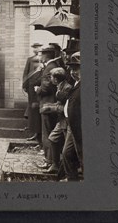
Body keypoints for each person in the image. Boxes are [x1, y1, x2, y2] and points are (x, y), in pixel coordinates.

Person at [40, 67, 72, 174]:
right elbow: (59, 104)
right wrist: (49, 105)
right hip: (62, 120)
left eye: (51, 77)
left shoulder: (67, 88)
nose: (50, 79)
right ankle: (55, 164)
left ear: (56, 79)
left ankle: (66, 170)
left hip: (67, 121)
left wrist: (49, 108)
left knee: (68, 149)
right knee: (53, 138)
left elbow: (65, 107)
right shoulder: (60, 86)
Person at [33, 45, 61, 167]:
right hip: (50, 104)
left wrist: (37, 89)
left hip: (48, 105)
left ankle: (49, 161)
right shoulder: (52, 66)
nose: (40, 56)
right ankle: (50, 160)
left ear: (46, 55)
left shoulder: (50, 67)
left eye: (41, 54)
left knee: (47, 134)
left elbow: (46, 87)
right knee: (49, 133)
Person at [62, 52, 82, 181]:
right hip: (71, 126)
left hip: (80, 128)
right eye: (71, 69)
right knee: (67, 153)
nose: (73, 72)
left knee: (83, 156)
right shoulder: (76, 83)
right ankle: (72, 181)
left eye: (76, 69)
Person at [22, 43, 43, 142]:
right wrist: (24, 85)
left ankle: (38, 133)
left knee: (37, 109)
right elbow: (26, 72)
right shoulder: (30, 59)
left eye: (37, 47)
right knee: (32, 108)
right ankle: (33, 131)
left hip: (40, 87)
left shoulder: (43, 59)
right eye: (34, 47)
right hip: (31, 87)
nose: (35, 49)